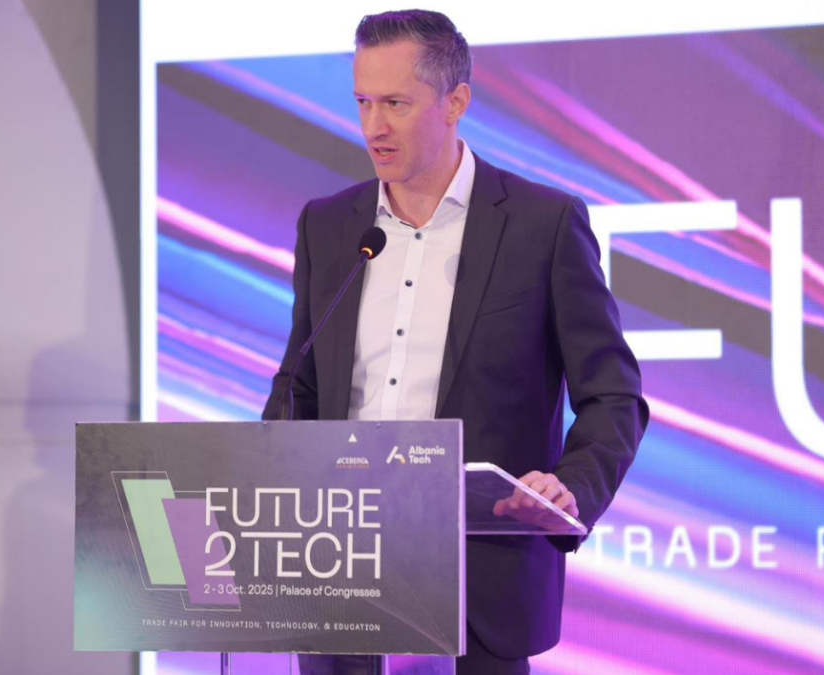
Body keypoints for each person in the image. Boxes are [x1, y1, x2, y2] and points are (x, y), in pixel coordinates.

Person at [262, 9, 648, 674]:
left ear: (455, 102)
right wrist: (260, 479)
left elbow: (614, 394)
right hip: (337, 576)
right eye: (362, 102)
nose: (373, 127)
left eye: (395, 104)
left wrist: (567, 489)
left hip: (480, 591)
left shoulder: (543, 225)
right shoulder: (328, 226)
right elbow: (300, 382)